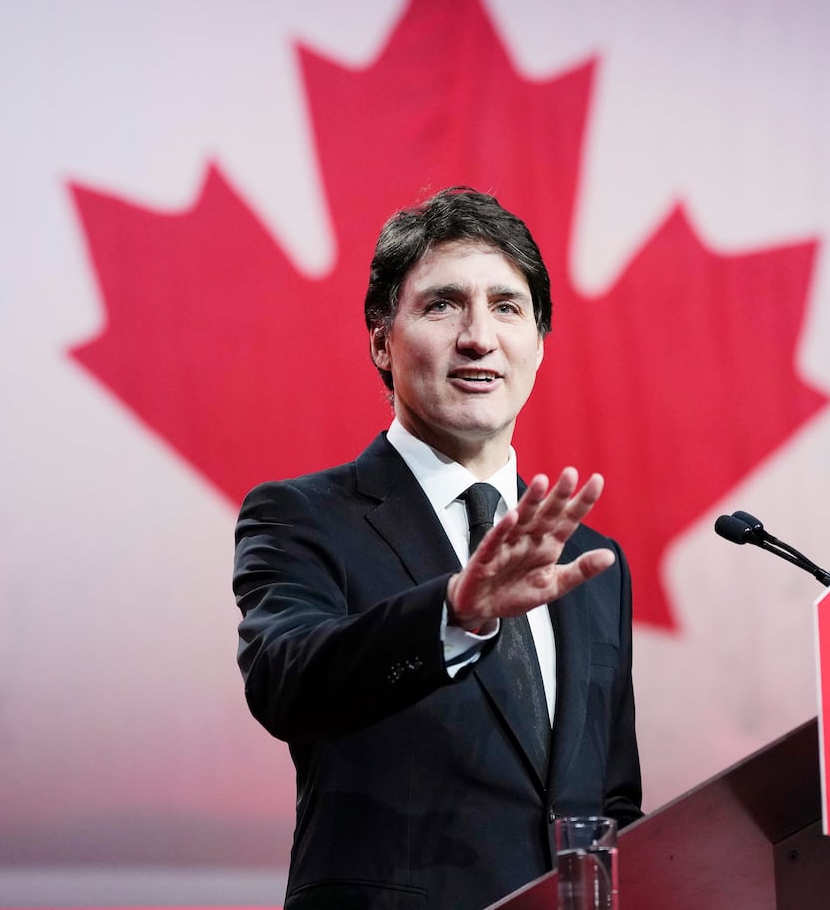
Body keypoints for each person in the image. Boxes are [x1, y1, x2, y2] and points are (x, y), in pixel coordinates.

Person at [233, 186, 642, 910]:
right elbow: (285, 680)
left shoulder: (591, 561)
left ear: (540, 343)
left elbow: (608, 801)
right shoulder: (302, 515)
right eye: (443, 304)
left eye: (508, 307)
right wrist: (452, 612)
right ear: (381, 340)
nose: (479, 336)